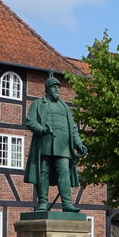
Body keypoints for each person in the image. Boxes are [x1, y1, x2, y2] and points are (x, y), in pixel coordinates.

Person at [24, 74, 87, 212]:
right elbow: (30, 121)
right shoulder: (38, 104)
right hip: (44, 144)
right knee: (43, 172)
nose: (57, 90)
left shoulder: (65, 108)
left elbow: (73, 129)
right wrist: (41, 129)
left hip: (63, 146)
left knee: (64, 171)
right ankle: (42, 203)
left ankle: (67, 203)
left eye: (58, 87)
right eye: (54, 87)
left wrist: (79, 144)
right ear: (47, 89)